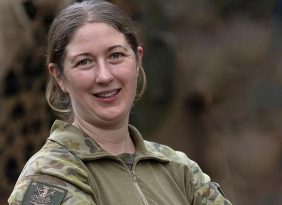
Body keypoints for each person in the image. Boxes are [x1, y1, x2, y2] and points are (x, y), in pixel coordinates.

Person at [8, 0, 232, 204]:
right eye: (84, 61)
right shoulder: (48, 176)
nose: (104, 76)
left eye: (115, 55)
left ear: (137, 60)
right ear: (59, 76)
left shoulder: (180, 169)